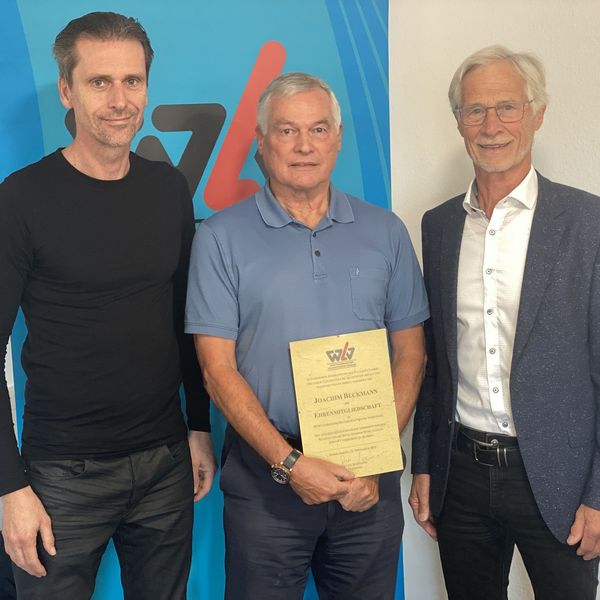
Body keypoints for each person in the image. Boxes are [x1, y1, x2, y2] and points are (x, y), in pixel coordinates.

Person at [185, 71, 429, 599]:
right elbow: (216, 370)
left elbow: (411, 354)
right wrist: (289, 464)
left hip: (367, 482)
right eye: (286, 130)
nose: (303, 146)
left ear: (338, 139)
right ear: (261, 141)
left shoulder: (386, 231)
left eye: (318, 129)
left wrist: (373, 461)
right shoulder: (220, 237)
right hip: (266, 481)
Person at [0, 12, 215, 599]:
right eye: (99, 82)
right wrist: (9, 488)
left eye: (132, 81)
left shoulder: (167, 188)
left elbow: (185, 320)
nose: (120, 100)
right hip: (60, 477)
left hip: (165, 464)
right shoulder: (21, 198)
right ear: (67, 91)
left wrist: (198, 428)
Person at [409, 45, 600, 599]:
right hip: (461, 475)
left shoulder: (587, 222)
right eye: (475, 110)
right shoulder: (439, 226)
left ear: (537, 114)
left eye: (507, 107)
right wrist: (425, 465)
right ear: (459, 121)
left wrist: (598, 492)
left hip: (561, 480)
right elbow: (436, 363)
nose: (491, 126)